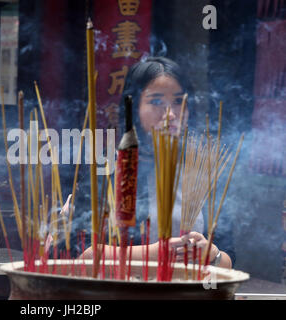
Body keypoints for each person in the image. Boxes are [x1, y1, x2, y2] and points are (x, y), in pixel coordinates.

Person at [83, 57, 234, 269]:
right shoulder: (107, 170)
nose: (171, 114)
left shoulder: (201, 171)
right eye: (156, 102)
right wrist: (153, 253)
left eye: (179, 102)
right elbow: (79, 253)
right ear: (134, 107)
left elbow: (229, 259)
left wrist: (211, 254)